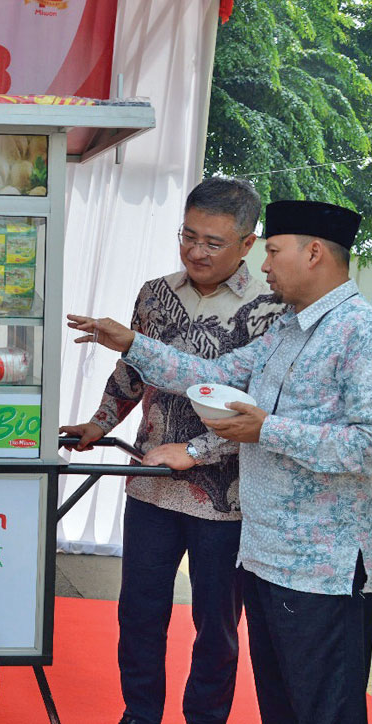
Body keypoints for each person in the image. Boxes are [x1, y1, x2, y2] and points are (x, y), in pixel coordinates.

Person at [68, 200, 372, 724]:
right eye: (189, 237)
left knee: (322, 707)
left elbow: (366, 444)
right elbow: (214, 375)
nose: (266, 266)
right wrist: (133, 343)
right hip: (266, 556)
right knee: (282, 706)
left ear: (314, 254)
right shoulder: (290, 329)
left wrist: (263, 431)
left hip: (321, 568)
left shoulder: (358, 331)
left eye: (272, 251)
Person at [60, 177, 284, 724]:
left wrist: (199, 450)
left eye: (213, 242)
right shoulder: (155, 293)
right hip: (151, 483)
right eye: (188, 236)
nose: (196, 251)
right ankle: (139, 714)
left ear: (247, 244)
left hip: (227, 498)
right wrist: (99, 423)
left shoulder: (271, 307)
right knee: (138, 612)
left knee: (216, 625)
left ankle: (204, 718)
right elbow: (131, 371)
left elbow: (259, 404)